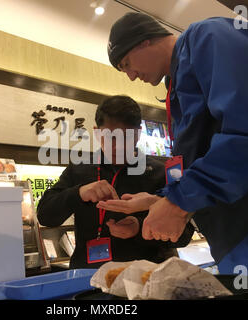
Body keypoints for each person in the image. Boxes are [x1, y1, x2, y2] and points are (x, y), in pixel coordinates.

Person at [101, 12, 248, 285]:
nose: (130, 76)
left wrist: (178, 203)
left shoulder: (207, 36)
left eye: (126, 63)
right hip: (238, 244)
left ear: (144, 41)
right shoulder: (177, 85)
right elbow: (205, 157)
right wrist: (162, 200)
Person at [37, 95, 193, 269]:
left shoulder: (159, 172)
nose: (118, 146)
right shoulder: (80, 168)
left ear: (138, 134)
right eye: (110, 137)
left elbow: (184, 235)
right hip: (89, 277)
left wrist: (138, 228)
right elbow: (45, 215)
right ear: (97, 133)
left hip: (144, 278)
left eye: (126, 137)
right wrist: (78, 193)